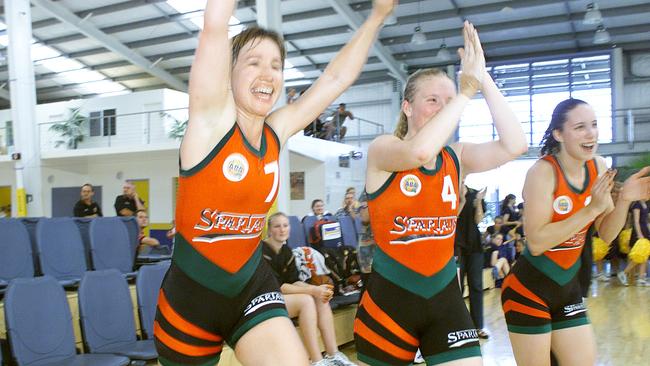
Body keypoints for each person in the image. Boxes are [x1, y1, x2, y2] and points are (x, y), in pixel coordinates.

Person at [154, 1, 398, 365]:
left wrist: (377, 16)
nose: (267, 74)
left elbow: (335, 80)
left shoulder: (276, 132)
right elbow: (215, 23)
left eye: (275, 66)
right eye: (253, 62)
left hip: (249, 288)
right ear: (228, 72)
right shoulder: (208, 123)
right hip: (189, 303)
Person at [355, 22, 528, 366]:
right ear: (407, 107)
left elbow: (516, 144)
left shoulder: (456, 157)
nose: (443, 107)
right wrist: (464, 92)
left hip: (444, 299)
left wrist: (482, 78)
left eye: (448, 101)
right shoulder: (384, 149)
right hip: (389, 304)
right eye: (432, 100)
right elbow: (418, 152)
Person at [500, 98, 650, 366]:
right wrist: (590, 210)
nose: (591, 133)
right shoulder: (542, 172)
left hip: (567, 288)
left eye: (593, 125)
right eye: (580, 127)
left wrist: (625, 200)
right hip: (528, 289)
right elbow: (536, 242)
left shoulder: (598, 168)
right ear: (559, 134)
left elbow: (606, 234)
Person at [262, 212, 356, 366]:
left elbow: (295, 282)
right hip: (264, 300)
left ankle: (333, 354)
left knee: (320, 297)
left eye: (285, 225)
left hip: (281, 296)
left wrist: (318, 289)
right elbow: (279, 287)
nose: (282, 229)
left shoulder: (287, 252)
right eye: (277, 226)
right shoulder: (262, 251)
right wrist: (312, 291)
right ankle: (316, 360)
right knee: (306, 300)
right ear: (269, 230)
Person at [455, 185, 489, 339]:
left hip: (474, 246)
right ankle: (458, 327)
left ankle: (478, 327)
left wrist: (479, 202)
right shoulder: (450, 192)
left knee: (476, 286)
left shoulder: (476, 194)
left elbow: (478, 220)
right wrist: (461, 199)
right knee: (457, 288)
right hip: (456, 246)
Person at [617, 200, 650, 286]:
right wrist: (639, 235)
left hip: (645, 232)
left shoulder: (645, 204)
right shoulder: (637, 204)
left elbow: (646, 221)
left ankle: (641, 278)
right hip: (638, 233)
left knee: (644, 256)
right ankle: (624, 273)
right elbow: (636, 221)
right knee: (637, 256)